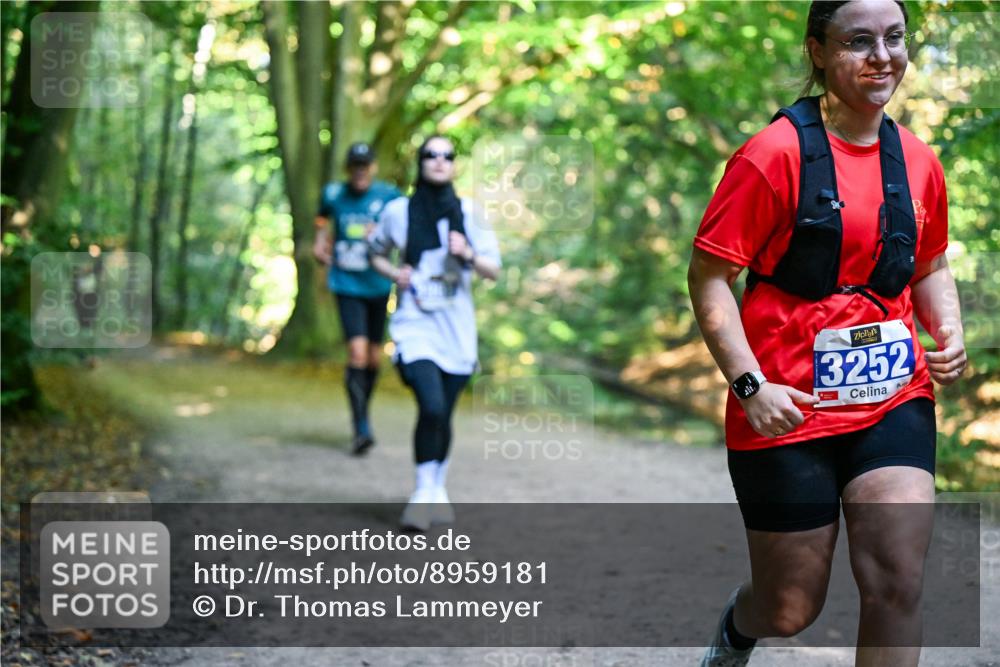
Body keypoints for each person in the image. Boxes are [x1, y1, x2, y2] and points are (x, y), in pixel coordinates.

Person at [687, 2, 967, 666]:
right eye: (858, 41)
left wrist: (946, 325)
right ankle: (739, 628)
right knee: (790, 605)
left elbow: (929, 263)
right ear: (817, 51)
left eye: (895, 39)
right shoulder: (772, 155)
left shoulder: (919, 160)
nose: (882, 56)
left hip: (892, 397)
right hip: (787, 408)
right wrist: (749, 383)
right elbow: (708, 278)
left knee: (898, 576)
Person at [368, 135, 501, 531]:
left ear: (455, 165)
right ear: (420, 163)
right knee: (432, 406)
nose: (439, 161)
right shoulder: (397, 212)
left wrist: (468, 254)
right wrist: (395, 273)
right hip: (415, 325)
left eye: (447, 156)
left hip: (457, 330)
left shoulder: (470, 214)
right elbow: (373, 251)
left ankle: (437, 489)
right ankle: (421, 493)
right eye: (431, 155)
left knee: (444, 413)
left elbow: (493, 270)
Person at [313, 142, 402, 455]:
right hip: (346, 283)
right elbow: (322, 218)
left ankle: (364, 408)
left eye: (365, 165)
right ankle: (361, 425)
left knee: (375, 358)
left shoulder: (390, 197)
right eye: (355, 165)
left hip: (378, 286)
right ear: (348, 168)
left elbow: (407, 225)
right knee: (357, 354)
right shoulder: (334, 194)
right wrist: (320, 241)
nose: (360, 170)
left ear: (373, 167)